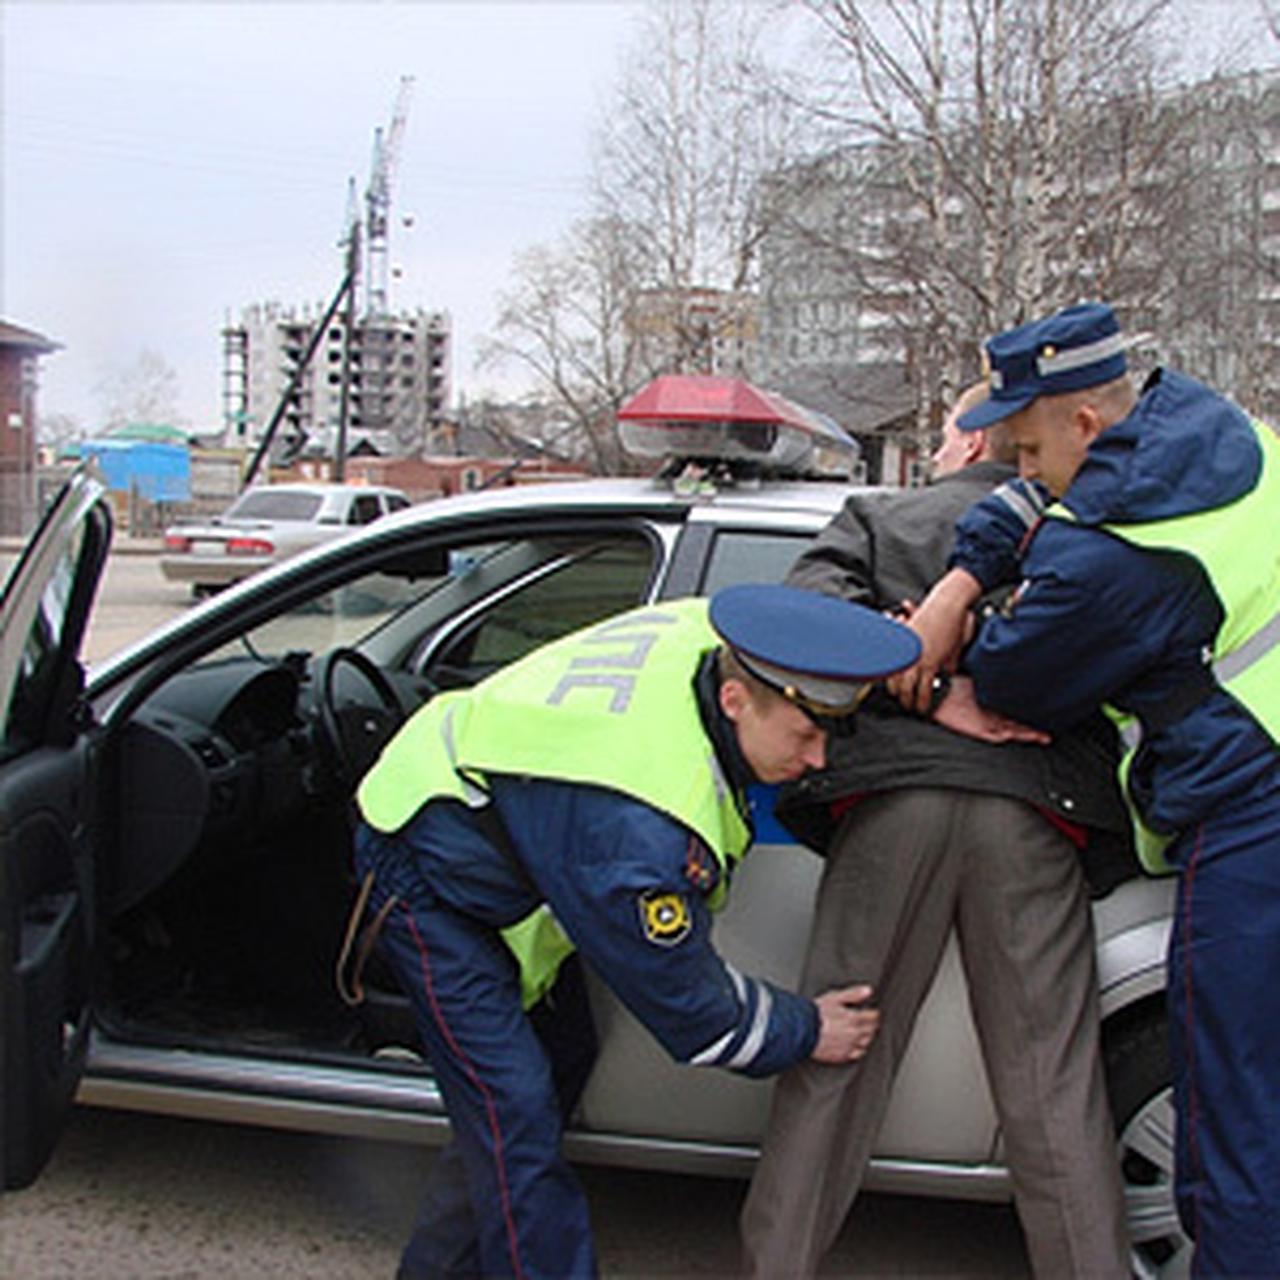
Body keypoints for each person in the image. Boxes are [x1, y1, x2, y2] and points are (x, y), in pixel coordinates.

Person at [349, 583, 922, 1280]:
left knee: (542, 1081)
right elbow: (694, 1014)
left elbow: (805, 642)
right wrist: (806, 1029)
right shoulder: (638, 833)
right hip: (430, 876)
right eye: (805, 737)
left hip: (512, 838)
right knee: (516, 1113)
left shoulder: (715, 637)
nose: (819, 760)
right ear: (736, 702)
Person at [896, 302, 1280, 1277]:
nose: (1018, 473)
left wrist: (947, 633)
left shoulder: (1105, 558)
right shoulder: (1216, 432)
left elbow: (1019, 680)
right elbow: (1052, 503)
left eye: (1025, 448)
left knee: (1234, 1111)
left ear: (1084, 426)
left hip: (1256, 815)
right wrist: (958, 581)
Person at [738, 384, 1133, 1279]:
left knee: (836, 1065)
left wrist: (911, 680)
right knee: (1054, 1088)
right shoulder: (1080, 535)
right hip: (1037, 818)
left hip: (891, 805)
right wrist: (976, 688)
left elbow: (804, 636)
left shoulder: (878, 517)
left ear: (963, 444)